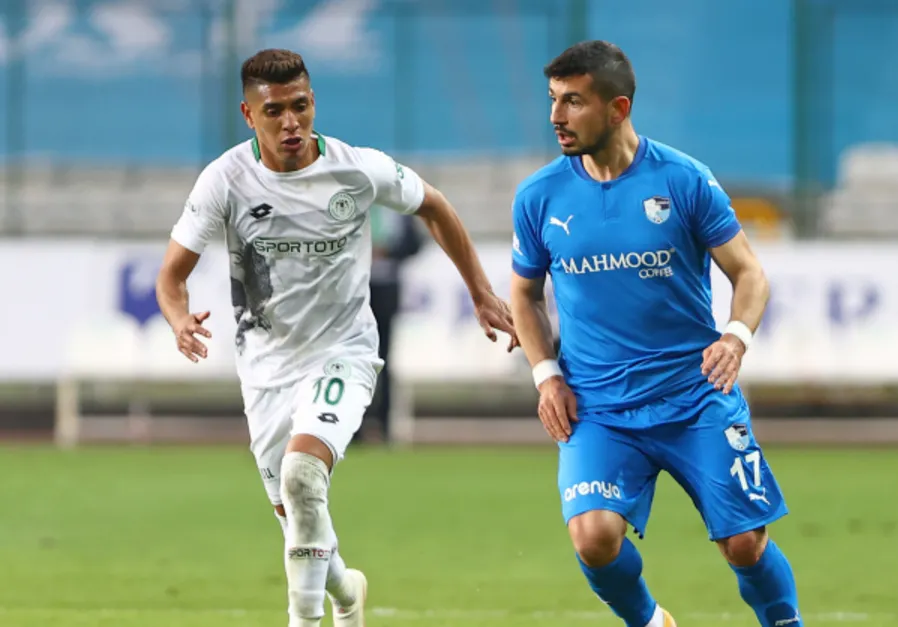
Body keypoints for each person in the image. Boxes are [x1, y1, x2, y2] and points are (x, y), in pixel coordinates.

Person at [155, 48, 516, 627]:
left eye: (300, 106)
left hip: (344, 353)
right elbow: (171, 277)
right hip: (265, 368)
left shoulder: (357, 170)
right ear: (248, 115)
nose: (291, 122)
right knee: (298, 517)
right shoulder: (225, 180)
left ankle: (304, 620)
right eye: (274, 111)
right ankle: (347, 594)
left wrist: (479, 290)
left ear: (314, 102)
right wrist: (178, 320)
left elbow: (435, 207)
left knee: (303, 475)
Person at [509, 41, 802, 627]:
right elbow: (523, 293)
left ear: (617, 108)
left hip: (695, 397)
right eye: (553, 100)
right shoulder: (539, 195)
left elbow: (749, 274)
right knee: (593, 537)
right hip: (599, 408)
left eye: (573, 101)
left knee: (744, 544)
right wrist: (546, 377)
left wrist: (735, 337)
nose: (556, 116)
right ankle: (650, 621)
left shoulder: (683, 180)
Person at [361, 209, 425, 443]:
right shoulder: (352, 198)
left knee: (385, 360)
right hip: (355, 288)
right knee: (354, 358)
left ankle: (384, 424)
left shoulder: (396, 206)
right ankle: (353, 426)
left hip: (387, 286)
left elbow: (414, 242)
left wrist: (389, 250)